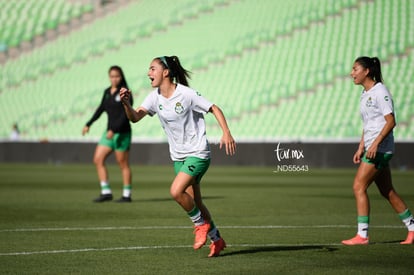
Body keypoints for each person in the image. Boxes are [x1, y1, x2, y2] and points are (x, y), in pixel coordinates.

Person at [120, 56, 236, 257]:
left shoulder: (186, 94)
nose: (149, 73)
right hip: (179, 157)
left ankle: (199, 225)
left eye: (152, 69)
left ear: (165, 72)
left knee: (175, 191)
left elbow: (214, 108)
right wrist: (126, 104)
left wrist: (226, 132)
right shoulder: (154, 97)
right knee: (196, 203)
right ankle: (217, 239)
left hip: (198, 153)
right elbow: (135, 117)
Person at [342, 56, 414, 245]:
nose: (352, 73)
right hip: (373, 147)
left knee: (358, 186)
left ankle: (362, 235)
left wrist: (374, 145)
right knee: (387, 191)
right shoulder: (365, 94)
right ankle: (413, 228)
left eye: (355, 69)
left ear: (367, 71)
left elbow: (391, 121)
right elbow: (370, 124)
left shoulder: (380, 91)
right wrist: (361, 146)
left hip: (380, 149)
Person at [82, 65, 133, 203]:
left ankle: (126, 194)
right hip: (109, 132)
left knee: (122, 163)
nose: (114, 79)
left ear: (121, 77)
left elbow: (126, 115)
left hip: (121, 132)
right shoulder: (107, 92)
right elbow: (100, 109)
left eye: (117, 76)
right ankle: (106, 191)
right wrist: (89, 123)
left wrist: (114, 130)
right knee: (98, 159)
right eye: (112, 76)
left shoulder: (125, 93)